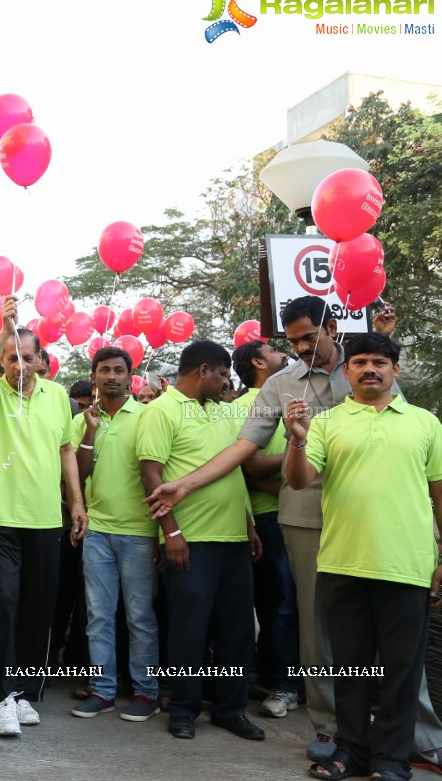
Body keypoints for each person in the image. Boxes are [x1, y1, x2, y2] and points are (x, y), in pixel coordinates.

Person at [142, 296, 426, 764]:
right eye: (292, 341)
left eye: (308, 338)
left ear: (332, 328)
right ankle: (331, 729)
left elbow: (406, 439)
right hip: (307, 515)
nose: (300, 349)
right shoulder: (280, 385)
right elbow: (245, 450)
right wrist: (185, 487)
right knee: (317, 631)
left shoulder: (366, 370)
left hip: (378, 518)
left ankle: (421, 738)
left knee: (399, 635)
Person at [283, 333, 442, 781]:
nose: (370, 369)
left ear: (394, 369)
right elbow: (298, 482)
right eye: (360, 362)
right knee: (351, 667)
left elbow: (440, 493)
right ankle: (349, 751)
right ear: (346, 370)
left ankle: (391, 761)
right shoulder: (327, 423)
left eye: (379, 361)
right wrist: (297, 439)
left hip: (406, 565)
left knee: (401, 671)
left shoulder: (425, 424)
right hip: (342, 564)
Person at [0, 297, 87, 737]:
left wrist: (75, 502)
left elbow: (66, 451)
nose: (19, 366)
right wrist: (4, 329)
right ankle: (0, 699)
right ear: (3, 362)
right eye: (11, 359)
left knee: (40, 610)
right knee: (2, 605)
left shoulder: (58, 397)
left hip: (44, 519)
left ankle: (23, 695)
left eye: (27, 358)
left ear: (42, 361)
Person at [136, 340, 263, 742]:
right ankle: (184, 709)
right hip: (191, 540)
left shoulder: (226, 413)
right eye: (224, 375)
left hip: (233, 538)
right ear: (204, 370)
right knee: (189, 631)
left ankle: (230, 709)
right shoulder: (161, 411)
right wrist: (171, 533)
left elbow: (234, 473)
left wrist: (249, 524)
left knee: (236, 632)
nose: (228, 383)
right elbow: (151, 475)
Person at [70, 346, 159, 722]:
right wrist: (89, 432)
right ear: (94, 377)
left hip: (140, 532)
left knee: (139, 616)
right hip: (97, 531)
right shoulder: (82, 421)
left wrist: (163, 534)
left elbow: (159, 472)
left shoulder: (148, 416)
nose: (111, 376)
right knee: (99, 616)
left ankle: (146, 693)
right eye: (104, 370)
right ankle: (103, 690)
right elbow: (78, 473)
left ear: (130, 376)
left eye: (118, 370)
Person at [231, 339, 300, 718]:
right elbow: (242, 466)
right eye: (275, 350)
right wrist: (298, 456)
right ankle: (283, 683)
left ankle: (305, 682)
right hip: (268, 519)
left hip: (315, 519)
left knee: (307, 606)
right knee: (281, 606)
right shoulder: (240, 408)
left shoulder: (298, 393)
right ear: (258, 362)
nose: (284, 353)